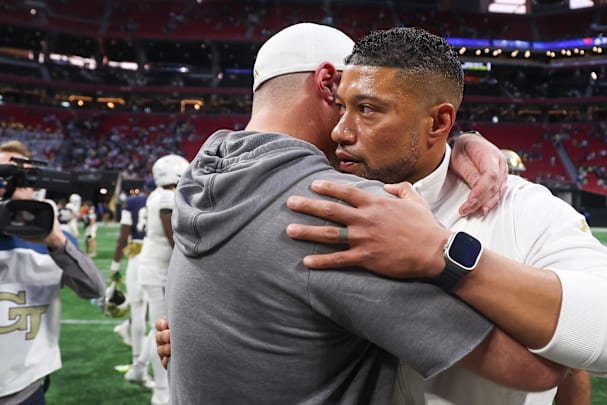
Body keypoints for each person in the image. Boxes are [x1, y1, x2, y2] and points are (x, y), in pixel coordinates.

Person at [163, 23, 567, 404]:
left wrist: (458, 142)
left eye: (368, 106)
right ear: (327, 83)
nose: (348, 126)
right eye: (351, 101)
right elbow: (535, 369)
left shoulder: (198, 181)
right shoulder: (337, 209)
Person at [282, 26, 607, 403]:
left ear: (438, 123)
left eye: (366, 109)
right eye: (341, 107)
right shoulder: (318, 193)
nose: (340, 132)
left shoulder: (519, 207)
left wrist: (445, 254)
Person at [0, 140, 105, 404]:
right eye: (2, 177)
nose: (7, 187)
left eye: (17, 179)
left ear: (33, 185)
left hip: (24, 387)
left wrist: (58, 243)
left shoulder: (53, 241)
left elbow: (93, 289)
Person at [124, 154, 188, 405]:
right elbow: (173, 237)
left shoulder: (155, 195)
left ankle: (139, 368)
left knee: (159, 327)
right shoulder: (166, 198)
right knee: (161, 329)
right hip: (158, 268)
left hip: (151, 265)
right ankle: (160, 390)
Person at [109, 186, 149, 369]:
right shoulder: (168, 199)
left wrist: (115, 266)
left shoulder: (133, 202)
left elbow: (123, 237)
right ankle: (138, 364)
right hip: (155, 256)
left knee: (141, 308)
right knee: (146, 310)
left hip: (138, 256)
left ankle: (126, 330)